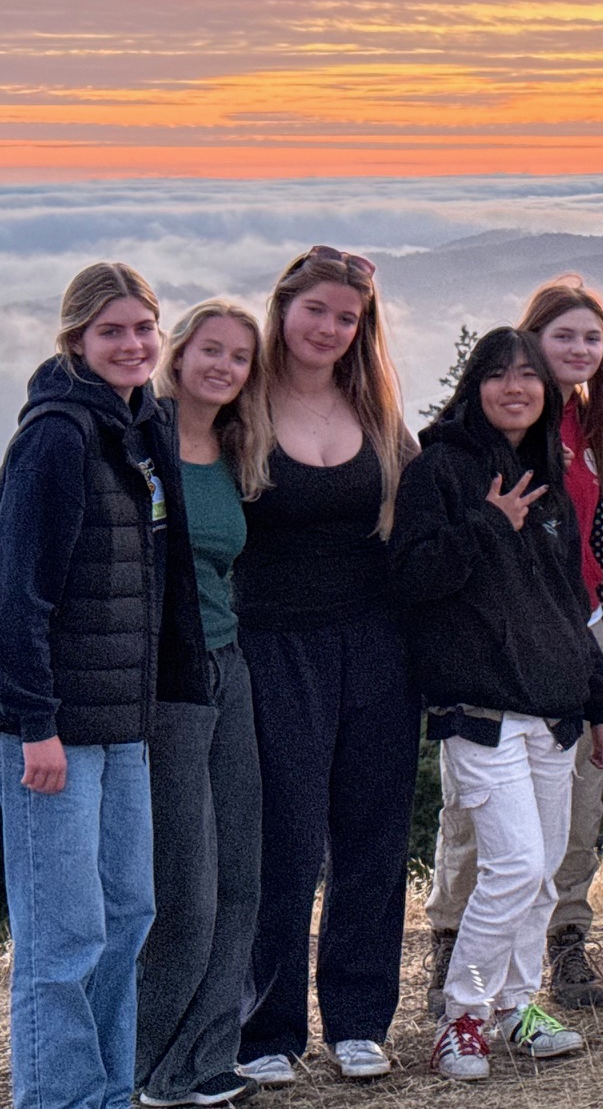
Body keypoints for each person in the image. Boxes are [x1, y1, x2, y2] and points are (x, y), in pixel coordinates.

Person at [0, 263, 207, 1109]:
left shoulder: (141, 428)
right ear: (76, 339)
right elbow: (17, 595)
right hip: (52, 731)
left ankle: (108, 1093)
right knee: (63, 936)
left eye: (143, 329)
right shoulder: (56, 436)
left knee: (128, 918)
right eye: (112, 331)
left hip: (125, 724)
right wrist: (33, 723)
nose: (132, 345)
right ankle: (61, 1098)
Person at [391, 328, 603, 1080]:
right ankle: (462, 1014)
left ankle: (519, 1005)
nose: (515, 388)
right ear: (474, 385)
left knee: (545, 867)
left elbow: (567, 601)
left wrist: (600, 700)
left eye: (529, 376)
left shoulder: (545, 470)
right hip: (478, 709)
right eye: (498, 375)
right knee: (515, 865)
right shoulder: (439, 471)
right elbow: (413, 580)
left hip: (553, 707)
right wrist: (488, 527)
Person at [236, 246, 420, 1086]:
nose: (329, 328)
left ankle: (357, 1018)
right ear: (283, 308)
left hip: (379, 646)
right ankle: (266, 1029)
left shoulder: (376, 409)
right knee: (286, 840)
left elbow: (421, 512)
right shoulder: (240, 402)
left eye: (346, 317)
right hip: (274, 646)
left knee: (372, 837)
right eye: (316, 310)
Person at [136, 301, 268, 1108]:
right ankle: (150, 1065)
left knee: (242, 875)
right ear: (178, 355)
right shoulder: (136, 439)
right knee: (185, 886)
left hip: (230, 669)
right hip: (165, 684)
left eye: (240, 357)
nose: (223, 366)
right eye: (210, 350)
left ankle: (208, 1058)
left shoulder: (235, 450)